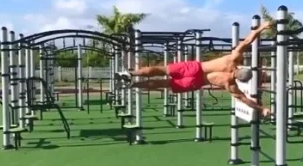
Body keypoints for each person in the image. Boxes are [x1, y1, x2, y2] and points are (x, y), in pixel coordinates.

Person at [116, 21, 273, 116]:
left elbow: (246, 41)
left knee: (161, 69)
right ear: (240, 78)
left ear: (241, 67)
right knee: (162, 84)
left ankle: (130, 73)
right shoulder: (231, 84)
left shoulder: (232, 59)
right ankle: (132, 84)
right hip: (197, 82)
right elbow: (245, 100)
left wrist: (262, 28)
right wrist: (261, 109)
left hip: (194, 68)